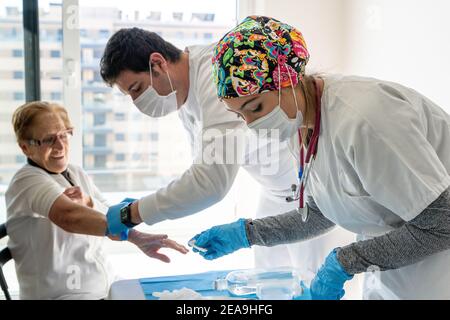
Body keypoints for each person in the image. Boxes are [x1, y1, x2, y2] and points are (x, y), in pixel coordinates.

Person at [189, 15, 450, 300]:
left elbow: (442, 224)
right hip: (396, 266)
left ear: (288, 78)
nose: (251, 124)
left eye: (255, 107)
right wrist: (248, 233)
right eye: (240, 115)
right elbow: (325, 210)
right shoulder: (298, 121)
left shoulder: (365, 119)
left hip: (439, 268)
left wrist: (344, 262)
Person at [99, 27, 354, 280]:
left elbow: (210, 183)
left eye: (136, 88)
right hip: (274, 191)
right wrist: (145, 206)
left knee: (313, 284)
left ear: (157, 64)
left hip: (314, 195)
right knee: (268, 284)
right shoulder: (184, 95)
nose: (137, 102)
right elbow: (203, 168)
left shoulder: (214, 76)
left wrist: (133, 213)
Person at [6, 101, 188, 299]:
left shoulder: (74, 172)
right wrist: (127, 225)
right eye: (49, 139)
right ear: (25, 147)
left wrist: (135, 236)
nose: (60, 145)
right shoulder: (27, 181)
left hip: (104, 285)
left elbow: (107, 212)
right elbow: (69, 217)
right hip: (63, 295)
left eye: (64, 134)